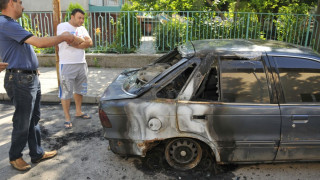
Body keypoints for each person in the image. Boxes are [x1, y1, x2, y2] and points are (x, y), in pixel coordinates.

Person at [0, 0, 77, 171]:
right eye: (20, 2)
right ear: (11, 3)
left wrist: (31, 69)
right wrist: (63, 37)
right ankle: (15, 156)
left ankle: (36, 153)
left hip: (28, 77)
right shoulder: (5, 23)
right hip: (20, 80)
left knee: (33, 119)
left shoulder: (11, 24)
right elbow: (39, 42)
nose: (23, 6)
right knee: (23, 120)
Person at [57, 8, 93, 129]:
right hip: (67, 64)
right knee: (66, 91)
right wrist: (82, 42)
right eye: (79, 17)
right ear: (72, 17)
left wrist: (77, 41)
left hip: (81, 63)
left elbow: (90, 42)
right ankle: (67, 118)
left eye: (83, 18)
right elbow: (69, 41)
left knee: (80, 89)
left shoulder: (82, 28)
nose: (82, 20)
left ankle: (79, 111)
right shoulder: (63, 26)